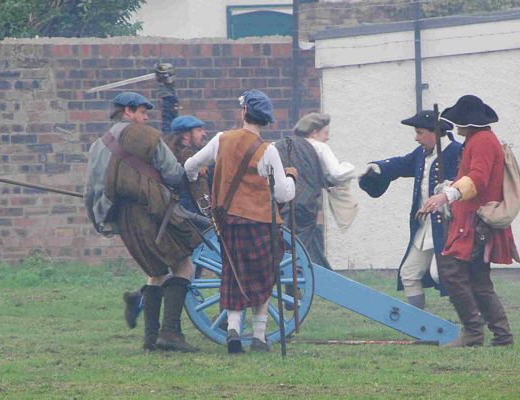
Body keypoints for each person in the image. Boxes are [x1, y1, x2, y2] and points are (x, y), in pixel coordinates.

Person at [84, 91, 201, 352]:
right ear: (128, 111)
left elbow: (91, 192)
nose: (146, 118)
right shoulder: (147, 136)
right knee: (184, 266)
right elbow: (173, 173)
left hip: (122, 218)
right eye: (142, 112)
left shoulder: (98, 146)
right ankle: (170, 333)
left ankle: (150, 338)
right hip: (151, 212)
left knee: (156, 271)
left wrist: (99, 221)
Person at [184, 89, 297, 353]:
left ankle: (233, 331)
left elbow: (190, 166)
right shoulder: (268, 151)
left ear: (244, 111)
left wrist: (196, 181)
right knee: (264, 277)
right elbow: (283, 194)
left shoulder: (221, 140)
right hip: (261, 223)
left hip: (229, 223)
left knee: (233, 273)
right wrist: (292, 176)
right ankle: (259, 336)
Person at [419, 95, 518, 347]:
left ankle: (473, 331)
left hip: (474, 221)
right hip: (473, 219)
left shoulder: (482, 141)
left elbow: (478, 179)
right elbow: (472, 177)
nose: (455, 125)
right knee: (479, 281)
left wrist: (446, 195)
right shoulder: (480, 139)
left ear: (467, 121)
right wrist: (450, 187)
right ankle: (502, 336)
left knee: (451, 272)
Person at [358, 110, 461, 309]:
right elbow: (402, 164)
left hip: (448, 228)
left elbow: (466, 184)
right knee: (409, 273)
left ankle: (472, 319)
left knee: (442, 275)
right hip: (425, 227)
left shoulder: (456, 152)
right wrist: (378, 167)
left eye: (420, 132)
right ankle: (419, 323)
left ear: (434, 132)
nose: (416, 138)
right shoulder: (421, 153)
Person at [122, 114, 211, 330]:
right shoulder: (184, 159)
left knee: (170, 271)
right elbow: (190, 195)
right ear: (186, 136)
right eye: (199, 130)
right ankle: (166, 328)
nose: (204, 133)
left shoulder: (176, 154)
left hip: (180, 219)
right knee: (181, 269)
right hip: (182, 220)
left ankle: (140, 302)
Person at [275, 113, 358, 271]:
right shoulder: (320, 147)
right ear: (314, 132)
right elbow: (336, 173)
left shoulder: (283, 146)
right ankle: (305, 270)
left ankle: (293, 269)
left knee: (288, 238)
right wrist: (352, 169)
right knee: (306, 242)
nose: (327, 138)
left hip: (284, 203)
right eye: (325, 133)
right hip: (306, 206)